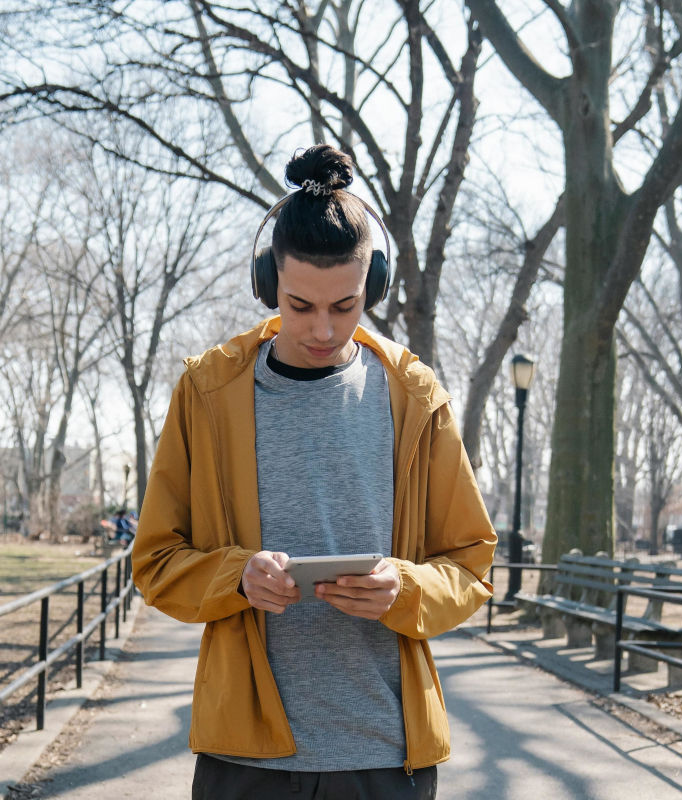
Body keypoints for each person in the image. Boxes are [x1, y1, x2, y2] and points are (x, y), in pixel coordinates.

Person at [132, 144, 497, 800]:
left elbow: (470, 565)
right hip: (245, 763)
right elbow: (156, 561)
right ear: (269, 283)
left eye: (345, 305)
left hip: (388, 758)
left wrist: (406, 589)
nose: (323, 328)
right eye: (300, 306)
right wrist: (235, 576)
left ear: (374, 286)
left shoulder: (416, 396)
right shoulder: (207, 392)